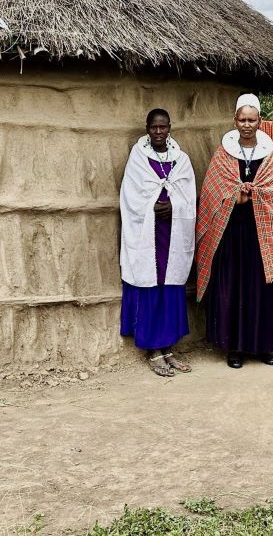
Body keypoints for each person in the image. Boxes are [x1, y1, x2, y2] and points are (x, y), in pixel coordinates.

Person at [196, 93, 273, 369]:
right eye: (242, 119)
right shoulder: (223, 154)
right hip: (231, 232)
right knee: (233, 286)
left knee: (262, 287)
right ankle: (234, 347)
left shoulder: (271, 155)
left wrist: (255, 195)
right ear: (234, 120)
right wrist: (235, 195)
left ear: (260, 121)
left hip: (262, 232)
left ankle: (263, 347)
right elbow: (212, 191)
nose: (247, 124)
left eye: (252, 119)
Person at [119, 109, 197, 376]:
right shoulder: (138, 157)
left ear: (170, 127)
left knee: (170, 282)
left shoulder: (181, 159)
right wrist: (154, 204)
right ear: (147, 128)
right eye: (154, 127)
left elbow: (188, 195)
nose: (159, 132)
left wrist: (173, 205)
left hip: (172, 232)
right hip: (147, 233)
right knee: (150, 281)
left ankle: (169, 348)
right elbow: (131, 194)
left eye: (163, 127)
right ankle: (153, 350)